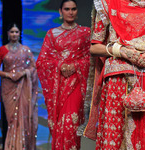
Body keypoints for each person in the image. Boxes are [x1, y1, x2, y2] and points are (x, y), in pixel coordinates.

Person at [83, 0, 145, 149]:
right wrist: (121, 51)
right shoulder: (108, 3)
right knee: (117, 137)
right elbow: (95, 47)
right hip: (118, 79)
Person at [36, 0, 91, 149]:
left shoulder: (85, 33)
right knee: (59, 125)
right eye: (67, 9)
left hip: (76, 83)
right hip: (58, 85)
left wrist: (76, 65)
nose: (71, 12)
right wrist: (59, 66)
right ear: (60, 11)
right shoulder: (52, 34)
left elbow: (90, 58)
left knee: (70, 123)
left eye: (73, 9)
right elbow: (41, 62)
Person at [0, 23, 38, 150]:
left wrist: (23, 73)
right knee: (11, 119)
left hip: (23, 86)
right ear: (7, 33)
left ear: (20, 34)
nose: (14, 34)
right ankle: (12, 146)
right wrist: (8, 75)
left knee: (23, 117)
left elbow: (33, 67)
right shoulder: (3, 50)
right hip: (9, 87)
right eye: (11, 32)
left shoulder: (26, 50)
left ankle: (23, 146)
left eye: (16, 32)